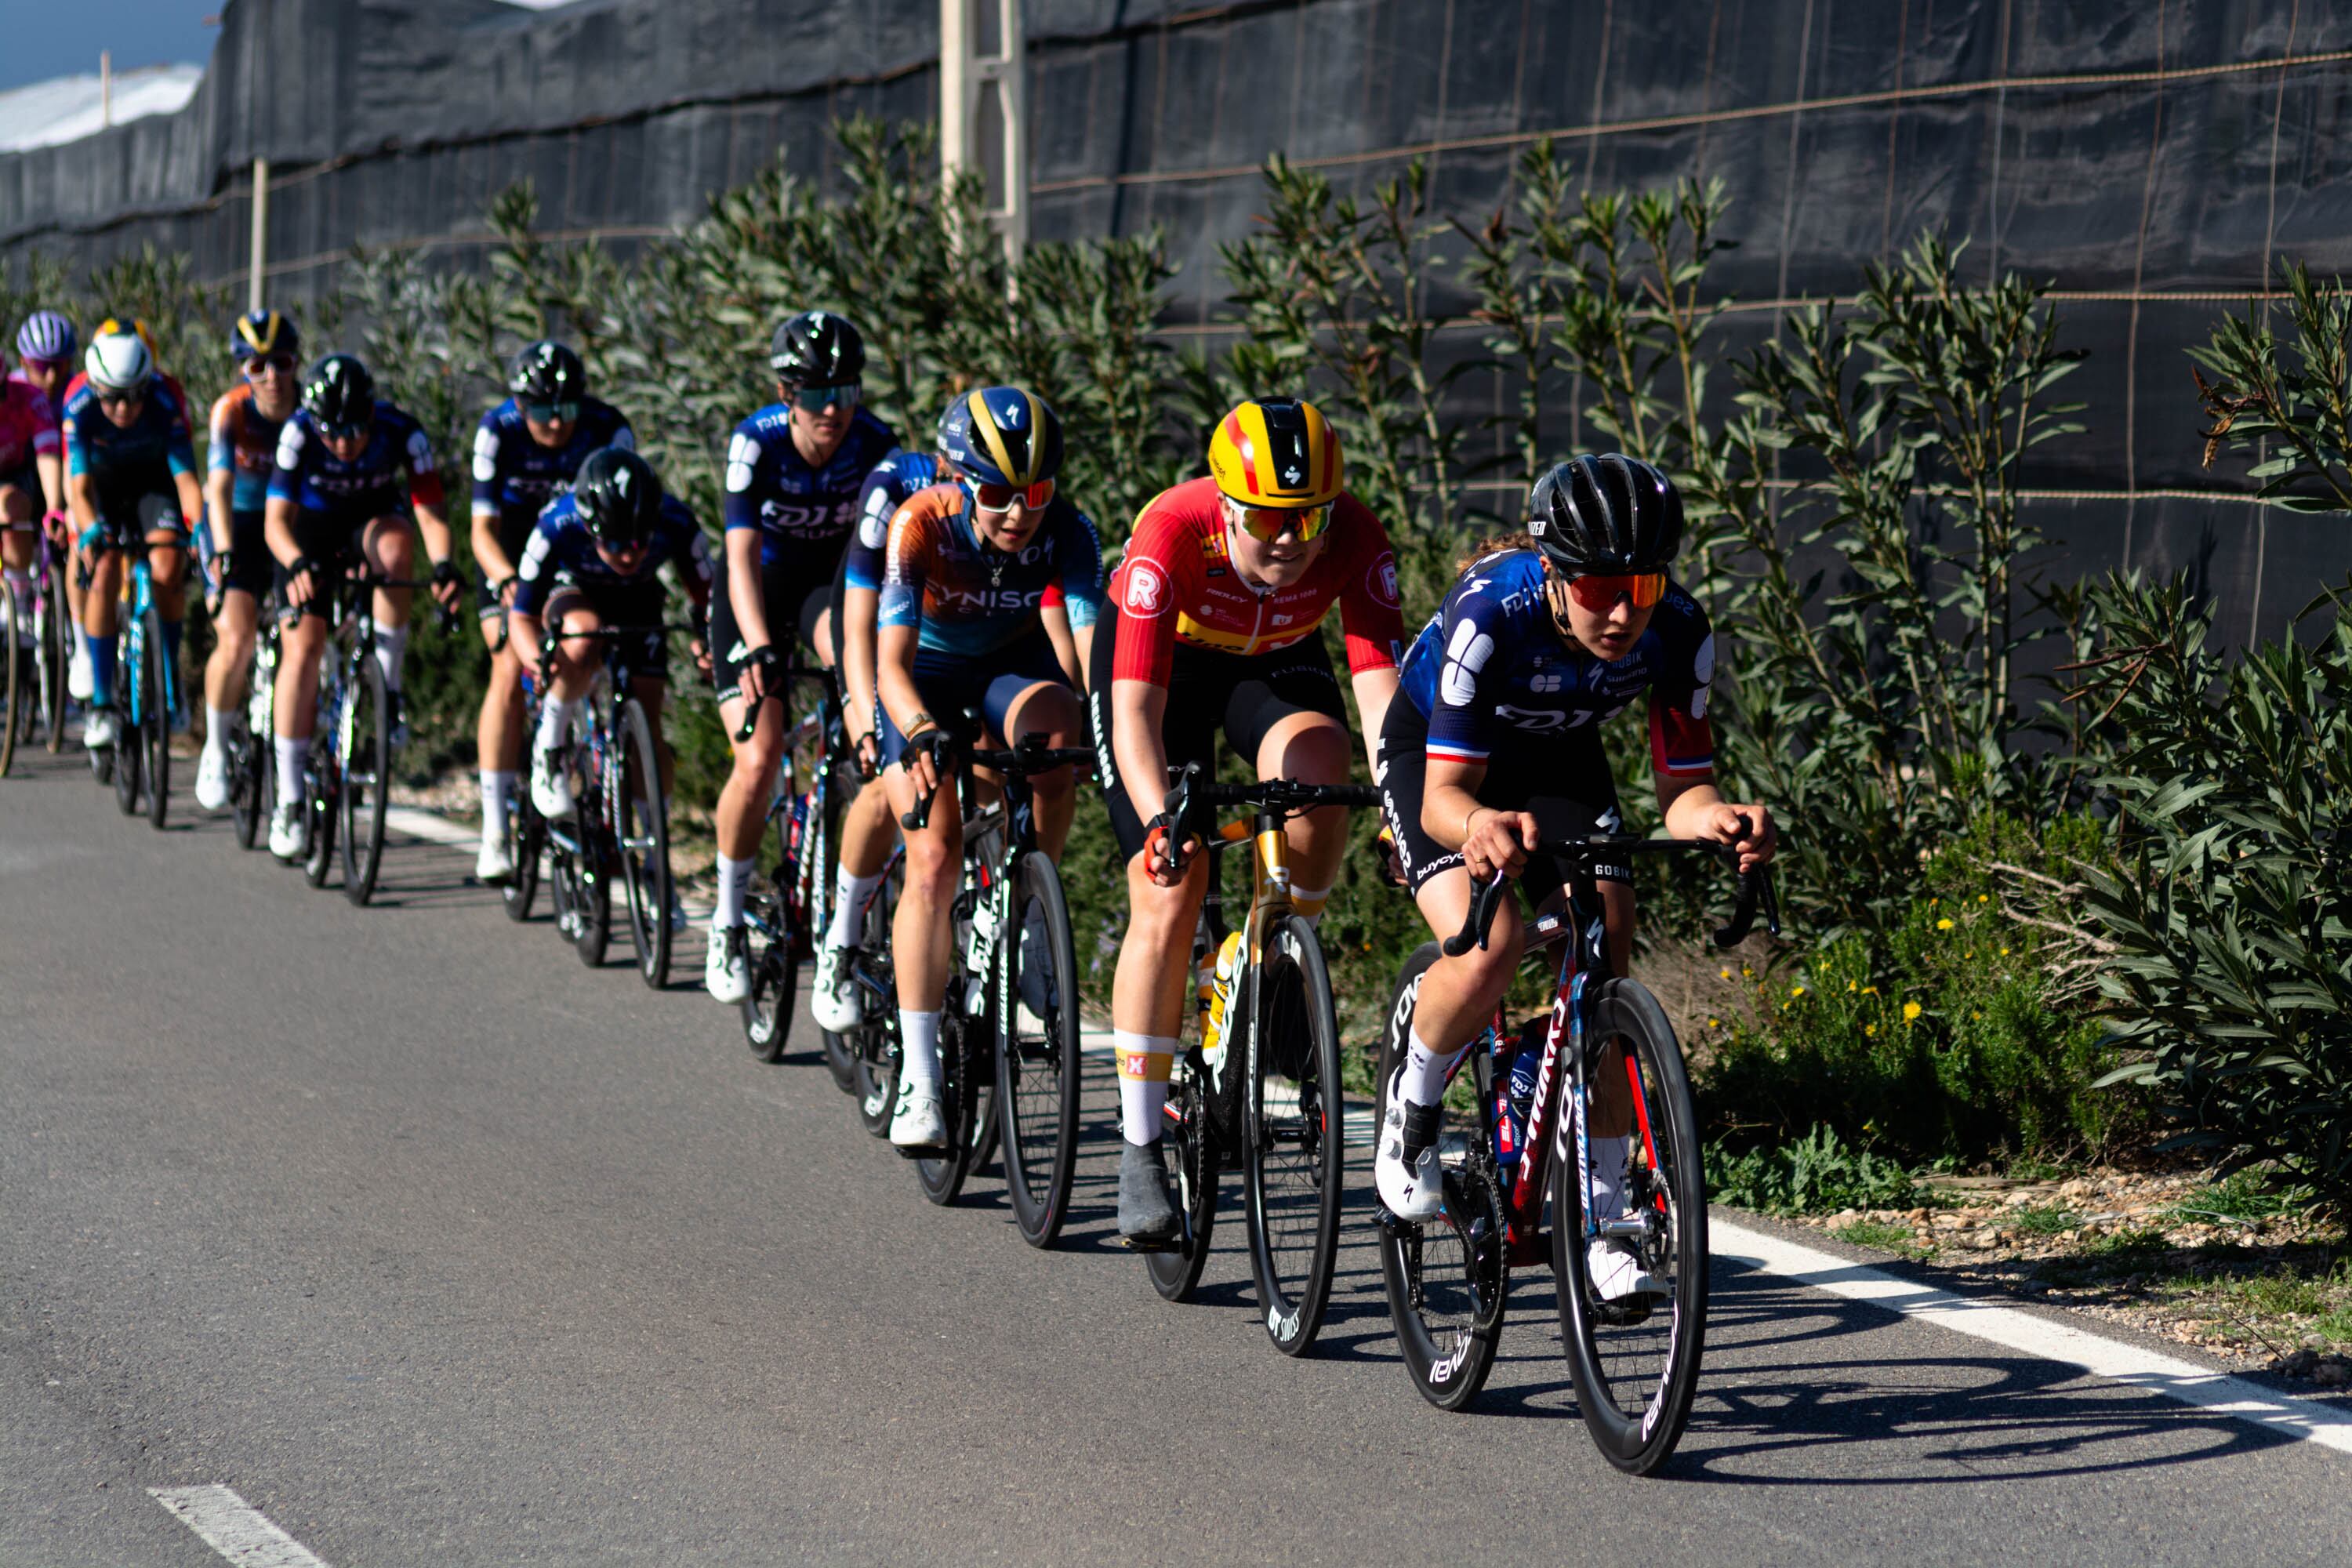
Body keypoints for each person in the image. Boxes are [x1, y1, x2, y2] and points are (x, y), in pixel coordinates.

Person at [1371, 453, 1775, 1300]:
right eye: (1597, 589)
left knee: (1607, 941)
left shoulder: (1681, 630)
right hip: (1438, 760)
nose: (1624, 612)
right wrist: (1478, 824)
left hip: (1559, 754)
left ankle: (1605, 1213)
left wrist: (1717, 818)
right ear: (1552, 574)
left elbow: (1682, 790)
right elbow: (1447, 794)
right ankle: (1413, 1105)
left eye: (1644, 584)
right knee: (1491, 941)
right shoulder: (1491, 612)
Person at [1091, 395, 1406, 1244]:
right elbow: (1135, 716)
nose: (1291, 540)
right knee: (1170, 884)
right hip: (1166, 673)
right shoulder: (1171, 533)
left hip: (1275, 660)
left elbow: (1383, 698)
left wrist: (1403, 816)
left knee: (1322, 765)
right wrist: (1163, 820)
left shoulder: (1354, 538)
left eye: (1309, 519)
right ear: (1227, 503)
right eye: (1267, 519)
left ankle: (1266, 950)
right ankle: (1141, 1145)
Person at [874, 386, 1102, 1148]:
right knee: (934, 858)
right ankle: (917, 1076)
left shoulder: (1069, 530)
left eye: (1034, 492)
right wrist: (918, 733)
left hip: (1009, 668)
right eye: (998, 492)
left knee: (1061, 733)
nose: (1017, 512)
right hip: (925, 680)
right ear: (959, 478)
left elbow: (1089, 648)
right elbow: (889, 667)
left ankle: (1032, 912)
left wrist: (1106, 726)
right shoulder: (920, 525)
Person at [703, 310, 898, 1003]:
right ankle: (727, 920)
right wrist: (756, 642)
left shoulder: (875, 443)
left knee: (853, 665)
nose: (834, 412)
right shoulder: (753, 444)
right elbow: (739, 556)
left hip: (826, 589)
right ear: (787, 395)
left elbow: (877, 575)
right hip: (755, 590)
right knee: (758, 760)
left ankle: (857, 798)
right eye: (817, 396)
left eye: (846, 393)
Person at [261, 354, 463, 860]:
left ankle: (388, 688)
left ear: (372, 413)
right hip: (307, 531)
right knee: (304, 649)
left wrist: (443, 566)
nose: (345, 444)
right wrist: (298, 564)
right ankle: (288, 799)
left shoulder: (402, 431)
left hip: (372, 523)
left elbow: (431, 512)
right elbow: (275, 524)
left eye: (355, 430)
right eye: (333, 433)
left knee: (398, 550)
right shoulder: (298, 433)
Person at [507, 448, 710, 934]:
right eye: (614, 543)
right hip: (572, 593)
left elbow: (709, 595)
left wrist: (708, 642)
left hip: (639, 602)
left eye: (638, 544)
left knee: (649, 722)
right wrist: (538, 662)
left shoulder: (677, 522)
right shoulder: (557, 525)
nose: (626, 554)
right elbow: (520, 615)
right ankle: (551, 746)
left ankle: (658, 868)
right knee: (585, 633)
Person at [467, 341, 633, 884]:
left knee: (593, 646)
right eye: (541, 409)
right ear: (520, 405)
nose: (556, 421)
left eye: (566, 407)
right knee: (508, 669)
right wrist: (510, 584)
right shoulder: (498, 431)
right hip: (512, 554)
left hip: (580, 555)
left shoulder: (609, 427)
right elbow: (482, 531)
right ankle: (494, 827)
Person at [806, 416, 949, 1035]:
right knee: (879, 783)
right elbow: (858, 622)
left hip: (948, 644)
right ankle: (841, 937)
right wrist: (864, 719)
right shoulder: (893, 486)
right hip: (870, 622)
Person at [63, 326, 204, 757]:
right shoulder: (81, 406)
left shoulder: (164, 403)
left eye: (133, 396)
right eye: (112, 397)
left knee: (168, 567)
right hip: (102, 487)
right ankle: (102, 702)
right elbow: (80, 489)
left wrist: (198, 529)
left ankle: (169, 677)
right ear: (96, 388)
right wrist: (88, 530)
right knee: (104, 569)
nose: (123, 407)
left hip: (151, 485)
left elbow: (186, 480)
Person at [194, 310, 302, 810]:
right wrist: (221, 550)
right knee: (236, 640)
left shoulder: (310, 410)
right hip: (234, 522)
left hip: (290, 527)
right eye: (259, 366)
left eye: (281, 363)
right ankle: (215, 747)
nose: (273, 378)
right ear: (243, 371)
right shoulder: (231, 411)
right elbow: (217, 486)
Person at [1, 315, 70, 648]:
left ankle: (19, 600)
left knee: (11, 508)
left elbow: (48, 453)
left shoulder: (27, 397)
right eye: (44, 366)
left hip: (18, 473)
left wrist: (55, 508)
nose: (52, 376)